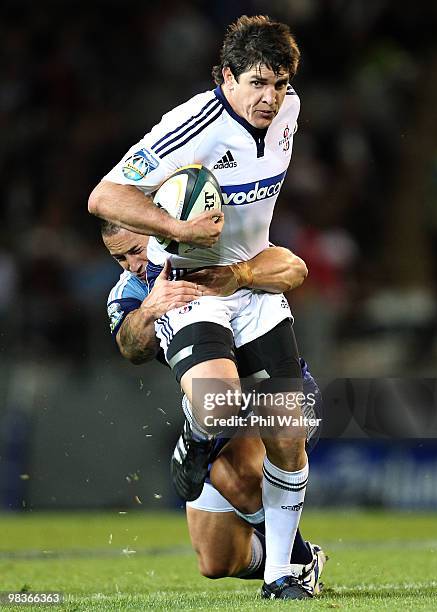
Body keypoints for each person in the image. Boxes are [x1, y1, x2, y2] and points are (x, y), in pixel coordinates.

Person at [90, 15, 311, 599]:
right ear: (227, 77)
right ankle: (195, 435)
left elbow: (288, 263)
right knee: (218, 410)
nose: (270, 98)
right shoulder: (192, 124)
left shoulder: (289, 112)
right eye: (258, 83)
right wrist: (174, 226)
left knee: (288, 435)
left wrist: (249, 267)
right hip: (193, 284)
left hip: (253, 290)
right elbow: (104, 195)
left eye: (280, 84)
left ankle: (286, 574)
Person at [102, 222, 326, 594]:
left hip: (276, 394)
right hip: (219, 409)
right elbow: (130, 347)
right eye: (119, 257)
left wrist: (241, 275)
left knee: (230, 473)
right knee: (217, 561)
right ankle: (296, 557)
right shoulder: (130, 291)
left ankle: (291, 566)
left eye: (136, 250)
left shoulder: (221, 252)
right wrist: (150, 310)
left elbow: (295, 268)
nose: (131, 264)